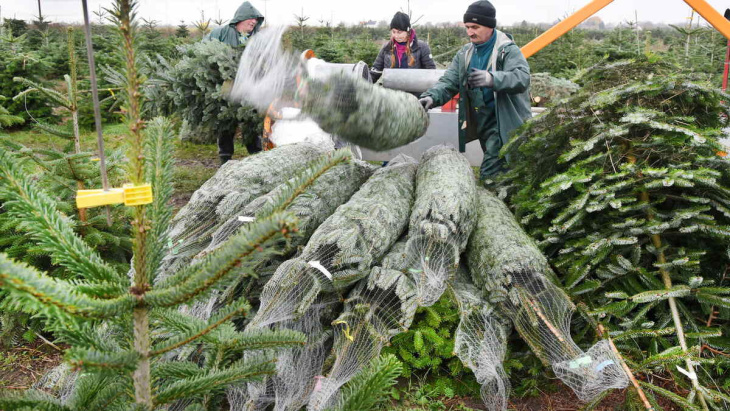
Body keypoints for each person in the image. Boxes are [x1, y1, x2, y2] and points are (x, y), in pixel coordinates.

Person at [419, 0, 531, 180]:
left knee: (490, 173)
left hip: (503, 122)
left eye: (475, 27)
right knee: (506, 173)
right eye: (467, 27)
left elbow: (522, 77)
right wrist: (431, 98)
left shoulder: (507, 50)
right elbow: (449, 81)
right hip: (482, 121)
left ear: (489, 26)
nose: (470, 32)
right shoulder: (466, 53)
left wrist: (492, 79)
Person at [206, 1, 265, 164]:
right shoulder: (220, 33)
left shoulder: (258, 39)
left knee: (250, 120)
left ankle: (256, 155)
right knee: (226, 120)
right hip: (226, 86)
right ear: (241, 18)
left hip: (250, 87)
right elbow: (202, 52)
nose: (254, 22)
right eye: (251, 18)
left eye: (256, 20)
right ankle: (225, 157)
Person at [370, 11, 436, 83]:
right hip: (391, 92)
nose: (396, 36)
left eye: (399, 32)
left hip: (414, 92)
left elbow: (431, 72)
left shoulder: (421, 47)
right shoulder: (386, 48)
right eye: (393, 32)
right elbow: (375, 71)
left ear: (408, 31)